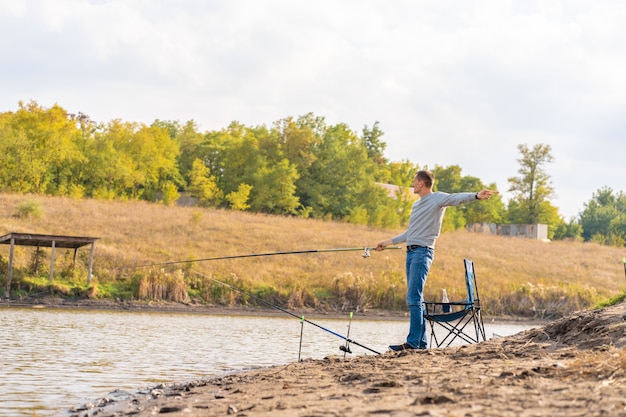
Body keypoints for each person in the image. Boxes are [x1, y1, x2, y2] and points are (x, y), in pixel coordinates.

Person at [375, 169, 498, 351]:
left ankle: (412, 343)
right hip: (410, 252)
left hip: (423, 253)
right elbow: (411, 233)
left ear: (421, 183)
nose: (412, 184)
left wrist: (476, 196)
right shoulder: (416, 206)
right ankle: (421, 343)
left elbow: (456, 198)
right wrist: (387, 242)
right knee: (417, 297)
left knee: (413, 297)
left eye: (414, 181)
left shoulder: (437, 199)